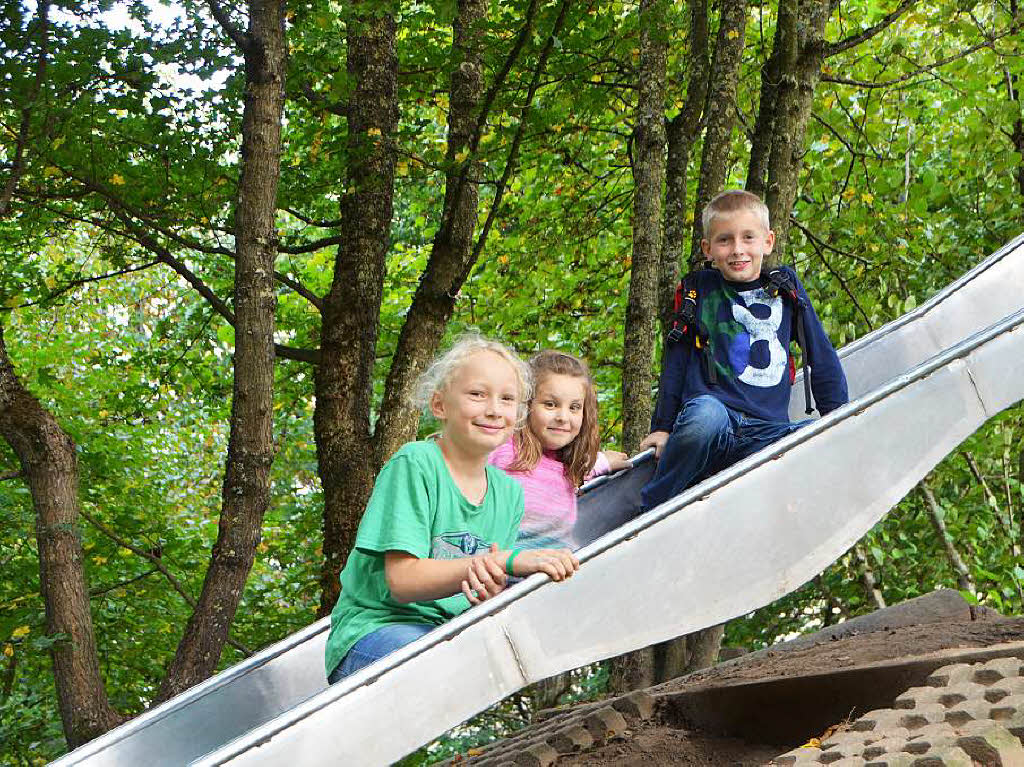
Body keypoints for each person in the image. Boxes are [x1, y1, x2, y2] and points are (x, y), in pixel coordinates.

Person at [324, 335, 580, 684]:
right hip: (380, 631)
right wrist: (503, 561)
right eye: (477, 394)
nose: (493, 409)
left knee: (504, 661)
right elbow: (402, 580)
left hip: (448, 637)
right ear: (440, 404)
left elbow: (482, 591)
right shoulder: (416, 464)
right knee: (434, 662)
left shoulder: (507, 493)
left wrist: (489, 588)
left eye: (507, 399)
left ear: (518, 416)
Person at [639, 189, 849, 510]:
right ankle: (653, 509)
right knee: (704, 416)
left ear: (768, 241)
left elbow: (819, 354)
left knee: (813, 437)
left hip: (767, 433)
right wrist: (662, 427)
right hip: (715, 426)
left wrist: (839, 417)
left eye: (748, 238)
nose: (738, 249)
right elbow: (676, 362)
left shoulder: (784, 287)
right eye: (725, 240)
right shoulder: (699, 288)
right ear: (708, 249)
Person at [489, 350, 630, 550]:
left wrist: (603, 462)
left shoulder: (569, 465)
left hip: (558, 570)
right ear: (526, 404)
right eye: (550, 404)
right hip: (508, 569)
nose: (563, 416)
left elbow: (578, 470)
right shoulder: (503, 448)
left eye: (574, 407)